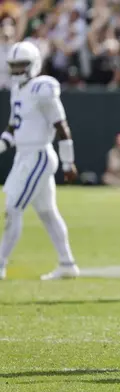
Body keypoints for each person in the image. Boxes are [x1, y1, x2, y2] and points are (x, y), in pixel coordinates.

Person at [0, 41, 79, 281]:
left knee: (13, 208)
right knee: (47, 212)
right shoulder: (17, 89)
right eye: (13, 66)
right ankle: (67, 264)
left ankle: (0, 263)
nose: (16, 70)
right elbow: (14, 126)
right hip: (23, 155)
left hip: (39, 156)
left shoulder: (42, 88)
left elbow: (61, 126)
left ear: (33, 64)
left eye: (21, 65)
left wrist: (68, 162)